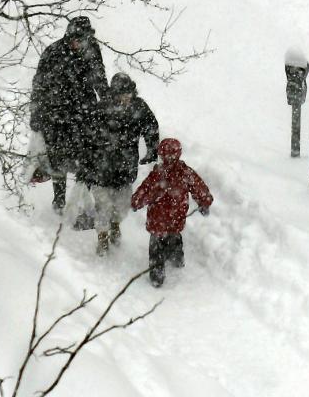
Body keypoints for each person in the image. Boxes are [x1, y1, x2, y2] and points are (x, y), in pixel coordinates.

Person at [29, 16, 108, 213]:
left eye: (83, 39)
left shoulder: (92, 50)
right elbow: (39, 84)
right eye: (76, 39)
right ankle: (59, 200)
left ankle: (82, 199)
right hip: (57, 112)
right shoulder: (53, 52)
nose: (79, 43)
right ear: (69, 35)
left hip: (85, 111)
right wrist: (37, 112)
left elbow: (99, 79)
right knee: (58, 155)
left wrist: (107, 104)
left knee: (87, 155)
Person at [80, 72, 159, 256]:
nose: (126, 98)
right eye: (122, 94)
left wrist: (152, 150)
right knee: (103, 206)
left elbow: (151, 127)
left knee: (122, 205)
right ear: (114, 94)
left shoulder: (139, 107)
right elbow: (86, 138)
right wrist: (85, 164)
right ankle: (102, 238)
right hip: (100, 169)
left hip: (125, 168)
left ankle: (115, 225)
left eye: (129, 94)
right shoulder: (101, 110)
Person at [131, 138, 213, 287]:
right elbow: (199, 188)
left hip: (157, 220)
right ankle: (177, 259)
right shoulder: (185, 172)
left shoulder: (157, 174)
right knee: (174, 237)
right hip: (176, 217)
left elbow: (145, 191)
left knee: (156, 248)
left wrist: (136, 202)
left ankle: (157, 275)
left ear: (161, 154)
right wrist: (204, 202)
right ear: (179, 153)